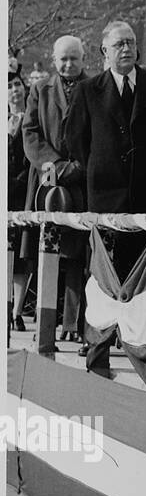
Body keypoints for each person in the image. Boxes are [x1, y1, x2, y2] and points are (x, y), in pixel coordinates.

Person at [65, 21, 146, 378]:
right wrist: (103, 167)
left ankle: (144, 358)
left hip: (145, 197)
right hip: (105, 199)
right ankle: (97, 357)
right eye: (118, 44)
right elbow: (77, 142)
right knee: (102, 281)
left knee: (142, 284)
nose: (126, 49)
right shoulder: (87, 91)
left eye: (130, 43)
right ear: (104, 52)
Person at [21, 35, 90, 345]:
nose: (68, 64)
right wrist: (56, 165)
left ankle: (73, 322)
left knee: (77, 253)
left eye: (74, 58)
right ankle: (45, 319)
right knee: (45, 249)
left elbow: (100, 134)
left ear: (83, 58)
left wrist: (80, 167)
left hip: (82, 181)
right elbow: (30, 131)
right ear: (53, 58)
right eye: (63, 58)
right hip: (48, 182)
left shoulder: (94, 87)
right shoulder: (40, 89)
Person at [9, 69, 35, 333]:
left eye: (18, 84)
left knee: (21, 256)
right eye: (9, 86)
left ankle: (17, 312)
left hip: (22, 194)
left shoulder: (30, 118)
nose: (15, 90)